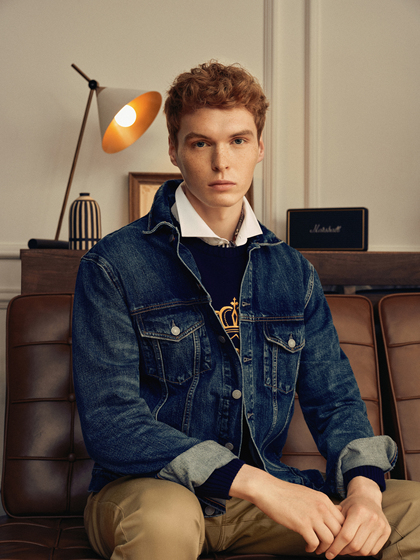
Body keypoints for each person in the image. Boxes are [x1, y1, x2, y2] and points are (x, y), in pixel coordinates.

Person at [72, 61, 420, 560]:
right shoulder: (113, 264)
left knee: (410, 512)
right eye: (201, 143)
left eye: (237, 141)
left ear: (259, 147)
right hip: (149, 491)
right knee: (165, 521)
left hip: (261, 503)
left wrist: (364, 490)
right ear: (173, 149)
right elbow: (112, 423)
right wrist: (261, 486)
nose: (222, 163)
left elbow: (336, 401)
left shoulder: (293, 272)